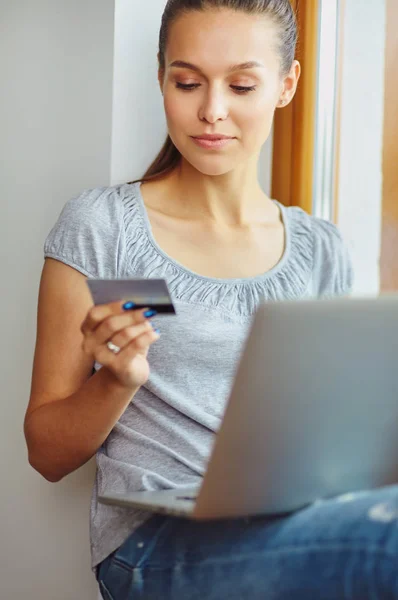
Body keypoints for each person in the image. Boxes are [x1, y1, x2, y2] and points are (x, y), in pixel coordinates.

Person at [24, 0, 398, 598]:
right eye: (188, 82)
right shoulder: (110, 228)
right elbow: (46, 453)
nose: (212, 111)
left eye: (242, 85)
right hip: (155, 544)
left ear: (286, 84)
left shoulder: (321, 249)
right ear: (162, 78)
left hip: (289, 519)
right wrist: (118, 379)